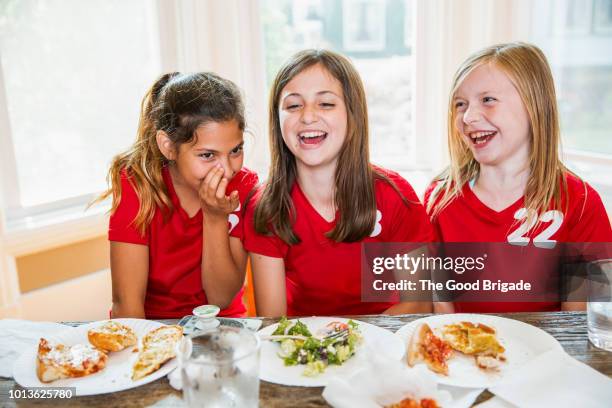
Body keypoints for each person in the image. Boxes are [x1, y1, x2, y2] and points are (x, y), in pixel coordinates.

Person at [244, 49, 434, 317]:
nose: (308, 116)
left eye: (326, 104)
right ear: (278, 120)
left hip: (384, 341)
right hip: (305, 349)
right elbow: (274, 321)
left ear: (352, 114)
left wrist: (352, 339)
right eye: (293, 105)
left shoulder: (395, 194)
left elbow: (418, 303)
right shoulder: (266, 206)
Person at [425, 42, 612, 313]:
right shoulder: (440, 198)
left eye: (488, 100)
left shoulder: (579, 202)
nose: (468, 116)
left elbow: (578, 322)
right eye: (460, 104)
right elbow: (439, 305)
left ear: (533, 105)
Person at [97, 72, 258, 318]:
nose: (226, 170)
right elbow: (126, 304)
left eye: (235, 150)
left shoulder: (244, 186)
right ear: (169, 146)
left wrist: (215, 218)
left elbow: (221, 298)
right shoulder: (137, 184)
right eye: (207, 155)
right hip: (155, 330)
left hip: (222, 328)